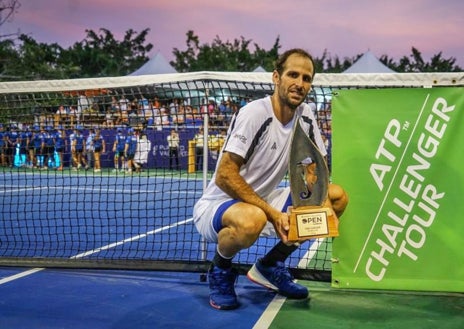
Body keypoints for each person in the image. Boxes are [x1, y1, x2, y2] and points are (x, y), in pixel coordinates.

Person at [193, 49, 349, 310]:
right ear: (276, 77)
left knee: (335, 197)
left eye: (307, 78)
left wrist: (317, 204)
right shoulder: (255, 114)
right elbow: (224, 176)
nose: (300, 84)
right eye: (293, 75)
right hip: (220, 206)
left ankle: (270, 265)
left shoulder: (306, 115)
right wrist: (273, 215)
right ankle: (220, 270)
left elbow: (316, 170)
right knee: (252, 218)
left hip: (265, 201)